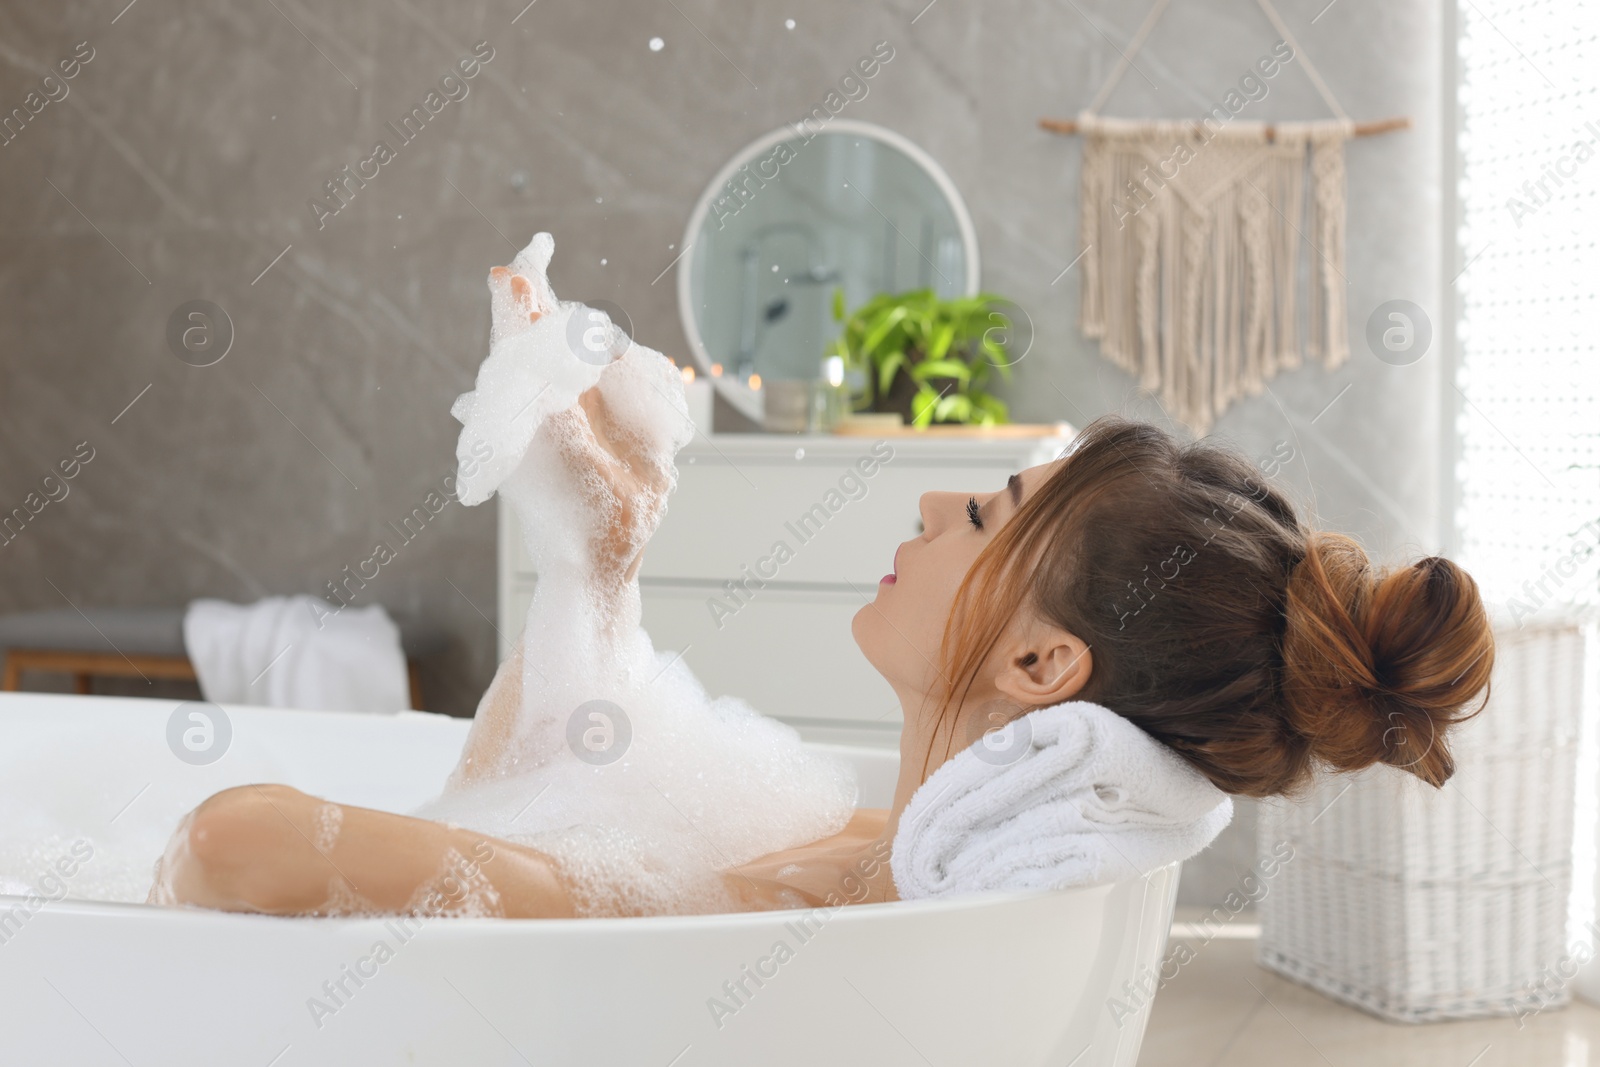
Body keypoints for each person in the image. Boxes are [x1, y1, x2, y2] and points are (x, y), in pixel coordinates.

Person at [148, 268, 1495, 920]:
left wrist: (551, 877)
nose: (928, 507)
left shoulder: (797, 912)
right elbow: (489, 807)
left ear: (1043, 667)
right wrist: (593, 572)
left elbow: (230, 843)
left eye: (981, 515)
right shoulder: (855, 843)